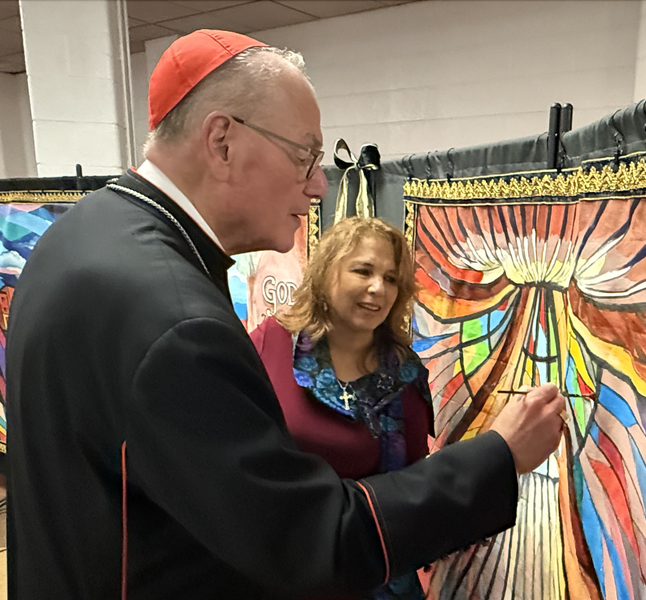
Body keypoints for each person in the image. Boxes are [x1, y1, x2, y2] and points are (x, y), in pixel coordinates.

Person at [6, 29, 566, 600]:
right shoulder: (178, 324)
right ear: (222, 142)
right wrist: (499, 455)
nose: (319, 185)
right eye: (304, 156)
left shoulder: (81, 236)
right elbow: (313, 541)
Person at [251, 217, 433, 599]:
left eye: (391, 278)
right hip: (279, 571)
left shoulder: (406, 373)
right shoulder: (270, 344)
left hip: (374, 577)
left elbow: (417, 482)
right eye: (363, 271)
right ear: (326, 270)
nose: (377, 288)